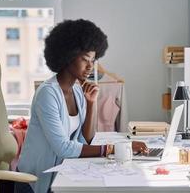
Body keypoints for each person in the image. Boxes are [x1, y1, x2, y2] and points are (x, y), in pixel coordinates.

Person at [15, 19, 148, 193]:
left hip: (60, 174)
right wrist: (114, 149)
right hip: (36, 181)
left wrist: (91, 103)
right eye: (85, 60)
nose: (90, 67)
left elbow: (87, 138)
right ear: (68, 56)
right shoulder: (48, 94)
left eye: (93, 61)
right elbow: (62, 147)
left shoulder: (77, 91)